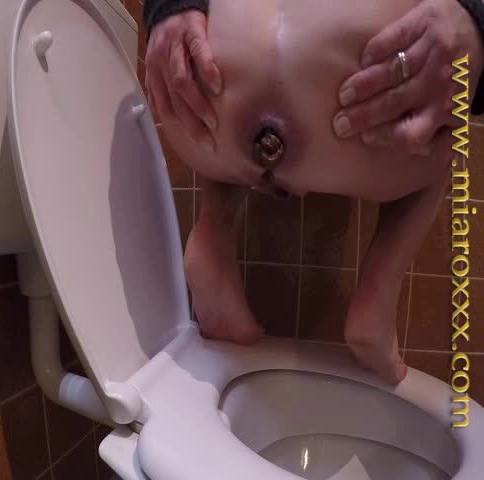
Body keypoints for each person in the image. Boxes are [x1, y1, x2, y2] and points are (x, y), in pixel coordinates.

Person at [142, 0, 484, 385]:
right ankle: (379, 291)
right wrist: (475, 17)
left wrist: (166, 7)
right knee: (443, 126)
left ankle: (213, 232)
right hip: (364, 98)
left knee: (212, 97)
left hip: (211, 97)